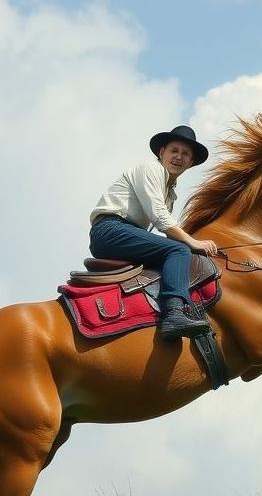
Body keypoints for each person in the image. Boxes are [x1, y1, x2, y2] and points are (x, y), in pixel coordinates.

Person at [89, 125, 219, 341]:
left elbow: (167, 231)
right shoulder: (150, 170)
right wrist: (193, 242)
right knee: (178, 250)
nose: (179, 157)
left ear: (191, 162)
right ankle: (174, 314)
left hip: (125, 231)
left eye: (185, 154)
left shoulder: (170, 193)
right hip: (110, 229)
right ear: (162, 153)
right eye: (174, 151)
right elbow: (160, 218)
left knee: (178, 252)